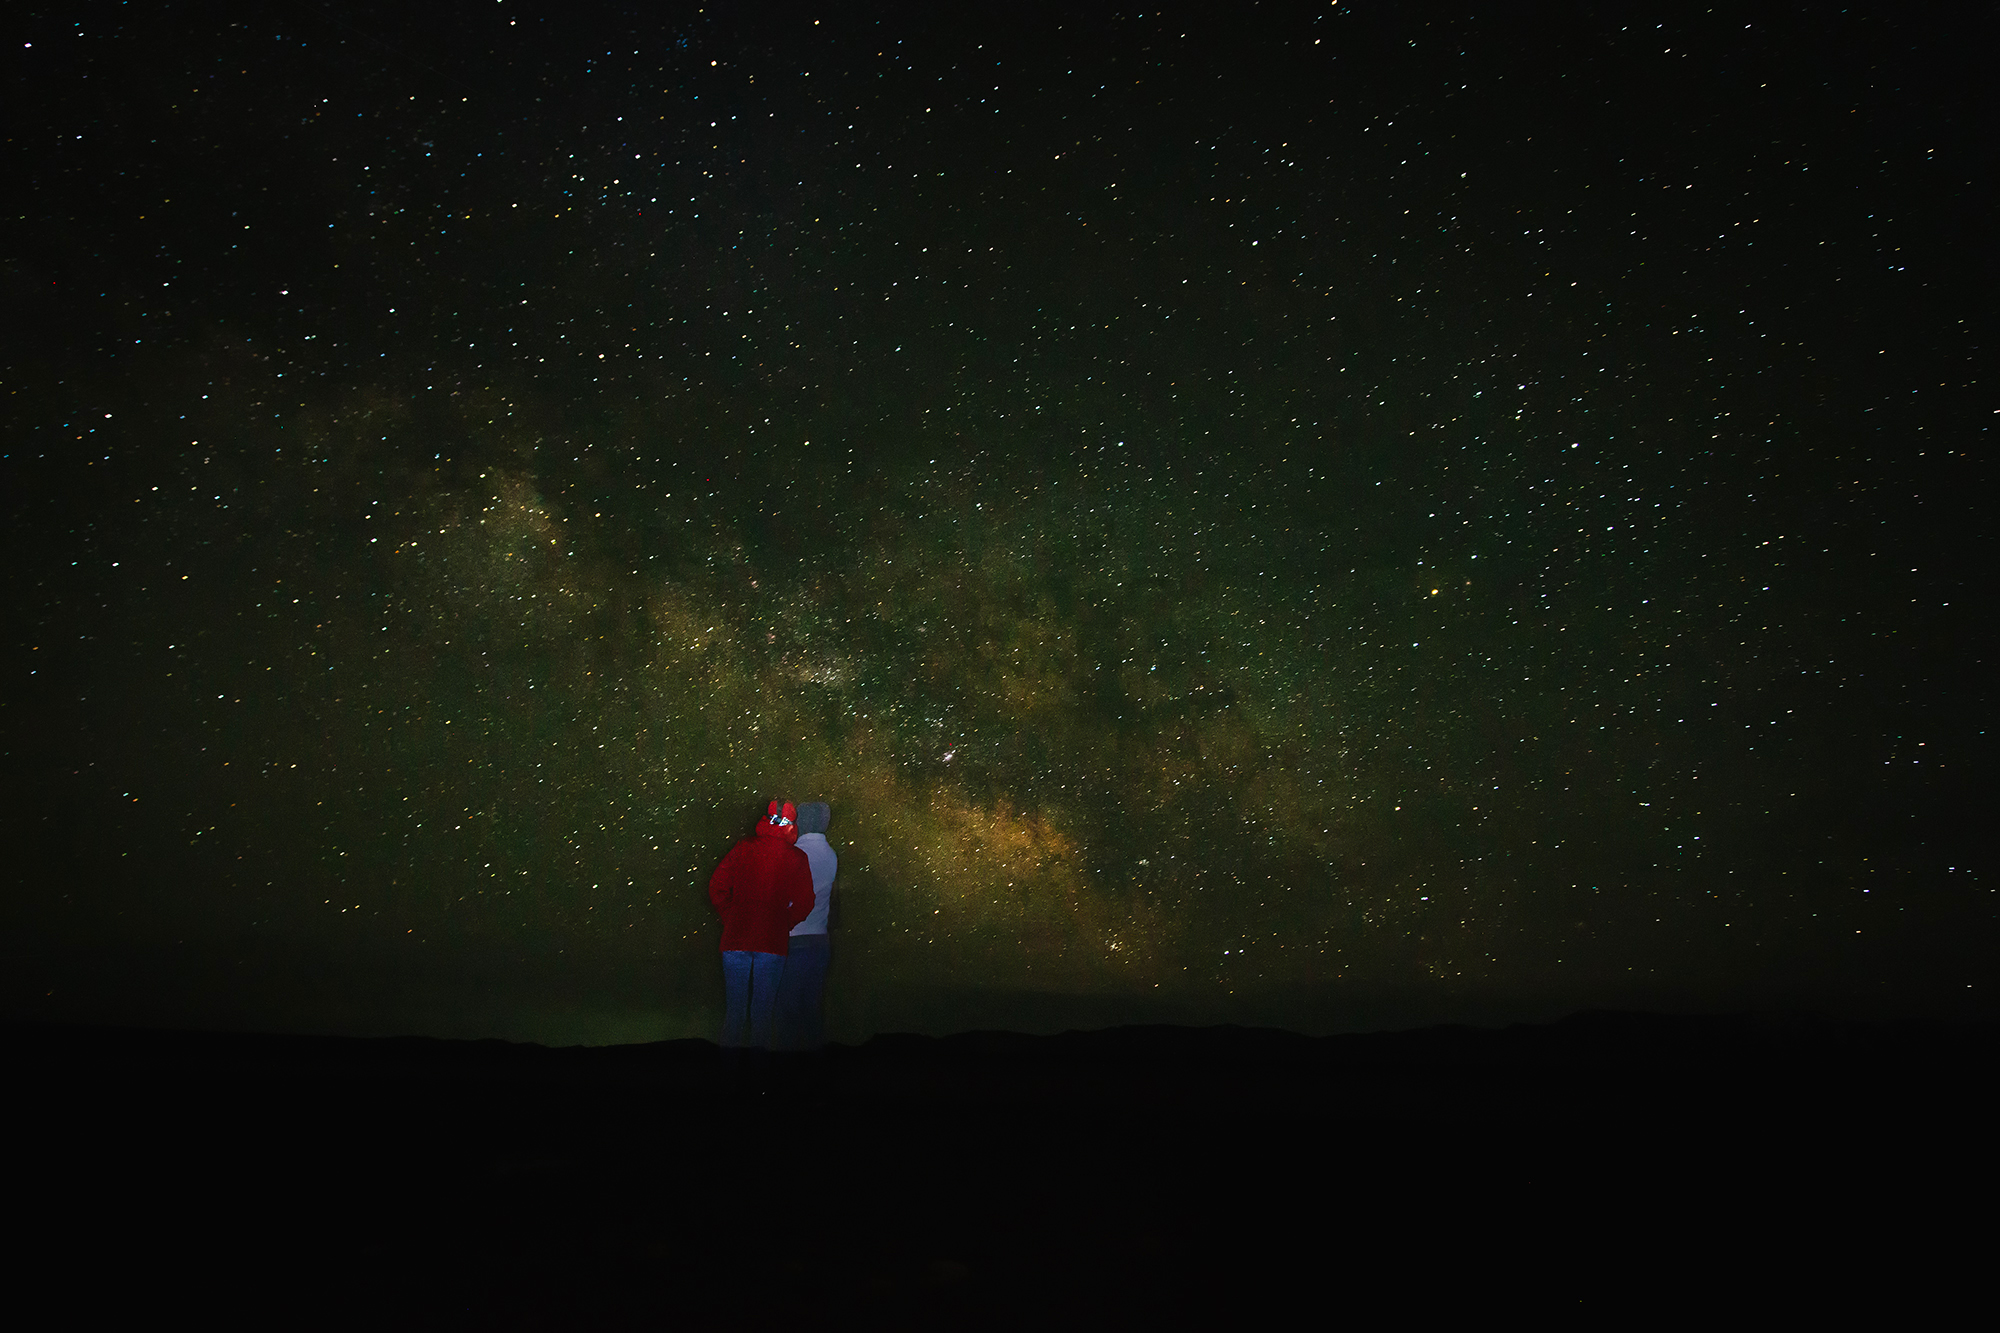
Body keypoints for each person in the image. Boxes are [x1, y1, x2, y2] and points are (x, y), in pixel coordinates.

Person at [708, 800, 817, 1050]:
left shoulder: (743, 847)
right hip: (771, 943)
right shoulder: (797, 858)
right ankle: (760, 1083)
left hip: (735, 940)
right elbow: (806, 902)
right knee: (762, 1017)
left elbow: (717, 886)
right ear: (792, 825)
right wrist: (784, 922)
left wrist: (730, 916)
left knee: (734, 1015)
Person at [773, 801, 838, 1051]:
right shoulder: (831, 854)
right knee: (812, 1009)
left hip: (793, 938)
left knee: (786, 1011)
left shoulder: (793, 853)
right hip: (819, 940)